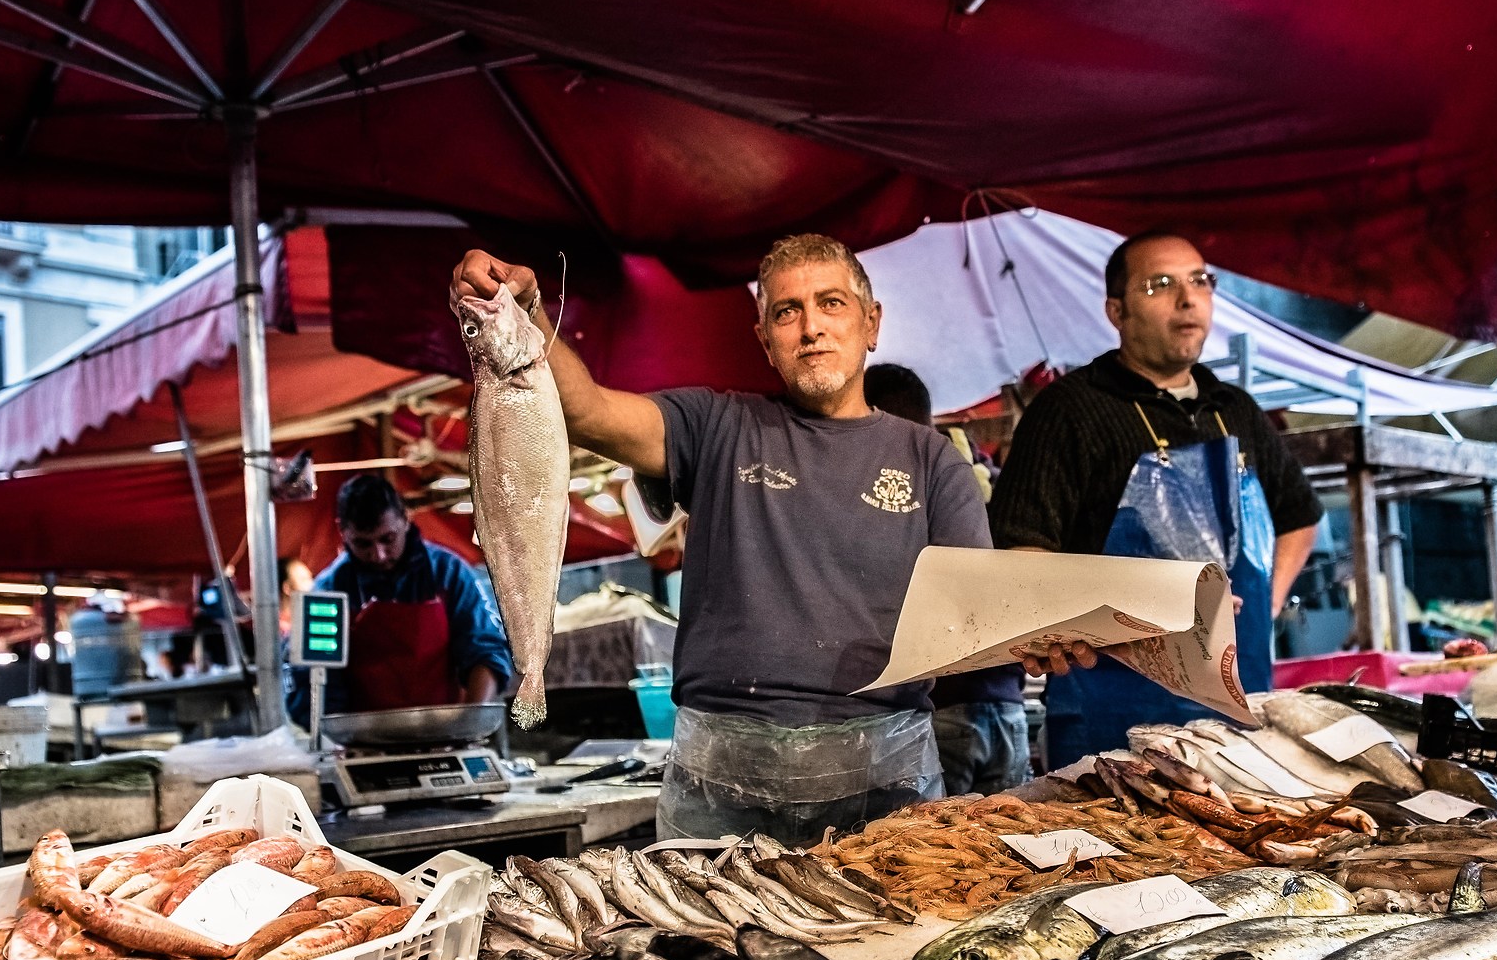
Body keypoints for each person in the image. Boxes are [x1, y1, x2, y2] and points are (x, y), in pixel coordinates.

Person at [450, 235, 990, 842]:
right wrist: (526, 312)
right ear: (765, 340)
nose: (810, 327)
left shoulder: (932, 462)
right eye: (787, 312)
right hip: (720, 788)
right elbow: (589, 412)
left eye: (831, 304)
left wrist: (1052, 638)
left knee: (892, 938)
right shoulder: (717, 427)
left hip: (886, 787)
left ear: (871, 324)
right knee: (703, 941)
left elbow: (977, 613)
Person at [986, 230, 1321, 762]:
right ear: (1116, 312)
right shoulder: (1069, 410)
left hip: (1242, 708)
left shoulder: (1233, 408)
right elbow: (1021, 551)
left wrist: (1265, 605)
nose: (1187, 299)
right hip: (1111, 712)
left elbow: (1301, 517)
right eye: (1160, 285)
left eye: (1199, 281)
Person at [862, 361, 1030, 795]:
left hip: (946, 708)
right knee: (1008, 848)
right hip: (1009, 706)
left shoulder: (901, 491)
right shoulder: (989, 482)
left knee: (946, 855)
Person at [284, 472, 514, 724]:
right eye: (363, 544)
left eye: (387, 539)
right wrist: (338, 738)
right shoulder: (328, 591)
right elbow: (314, 680)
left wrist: (469, 725)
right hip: (363, 740)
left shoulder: (449, 573)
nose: (378, 555)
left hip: (446, 731)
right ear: (342, 531)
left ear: (405, 519)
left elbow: (486, 651)